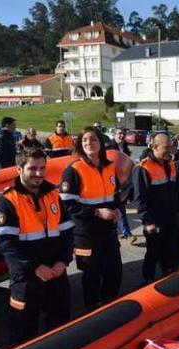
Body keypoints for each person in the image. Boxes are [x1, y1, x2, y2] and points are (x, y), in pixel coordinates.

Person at [0, 148, 74, 347]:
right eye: (32, 168)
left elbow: (67, 231)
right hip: (27, 277)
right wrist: (36, 267)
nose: (38, 173)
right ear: (19, 169)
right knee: (23, 328)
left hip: (56, 271)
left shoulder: (54, 195)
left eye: (42, 168)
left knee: (59, 320)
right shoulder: (7, 202)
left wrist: (63, 261)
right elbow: (7, 245)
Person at [60, 127, 122, 310]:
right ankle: (92, 311)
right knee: (91, 277)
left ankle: (109, 306)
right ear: (80, 144)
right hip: (86, 234)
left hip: (108, 231)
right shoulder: (73, 170)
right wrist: (96, 212)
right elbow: (67, 205)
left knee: (114, 273)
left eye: (93, 139)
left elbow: (116, 194)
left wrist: (117, 210)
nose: (89, 143)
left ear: (101, 143)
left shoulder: (110, 166)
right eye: (85, 140)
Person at [135, 133, 179, 282]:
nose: (171, 150)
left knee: (168, 252)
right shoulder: (143, 168)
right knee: (153, 254)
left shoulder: (170, 165)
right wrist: (147, 222)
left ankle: (166, 278)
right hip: (154, 222)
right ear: (155, 147)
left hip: (170, 219)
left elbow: (175, 192)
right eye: (166, 147)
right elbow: (140, 198)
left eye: (172, 146)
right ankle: (147, 280)